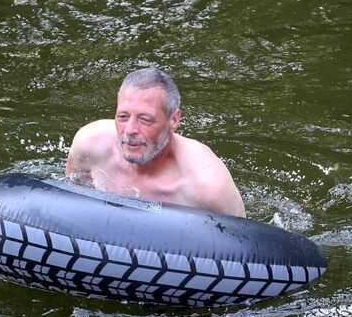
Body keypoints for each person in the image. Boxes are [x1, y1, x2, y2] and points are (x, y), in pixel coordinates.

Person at [65, 67, 245, 217]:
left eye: (145, 119)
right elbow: (71, 204)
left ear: (173, 120)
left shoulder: (208, 186)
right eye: (123, 116)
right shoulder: (89, 146)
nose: (129, 130)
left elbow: (241, 246)